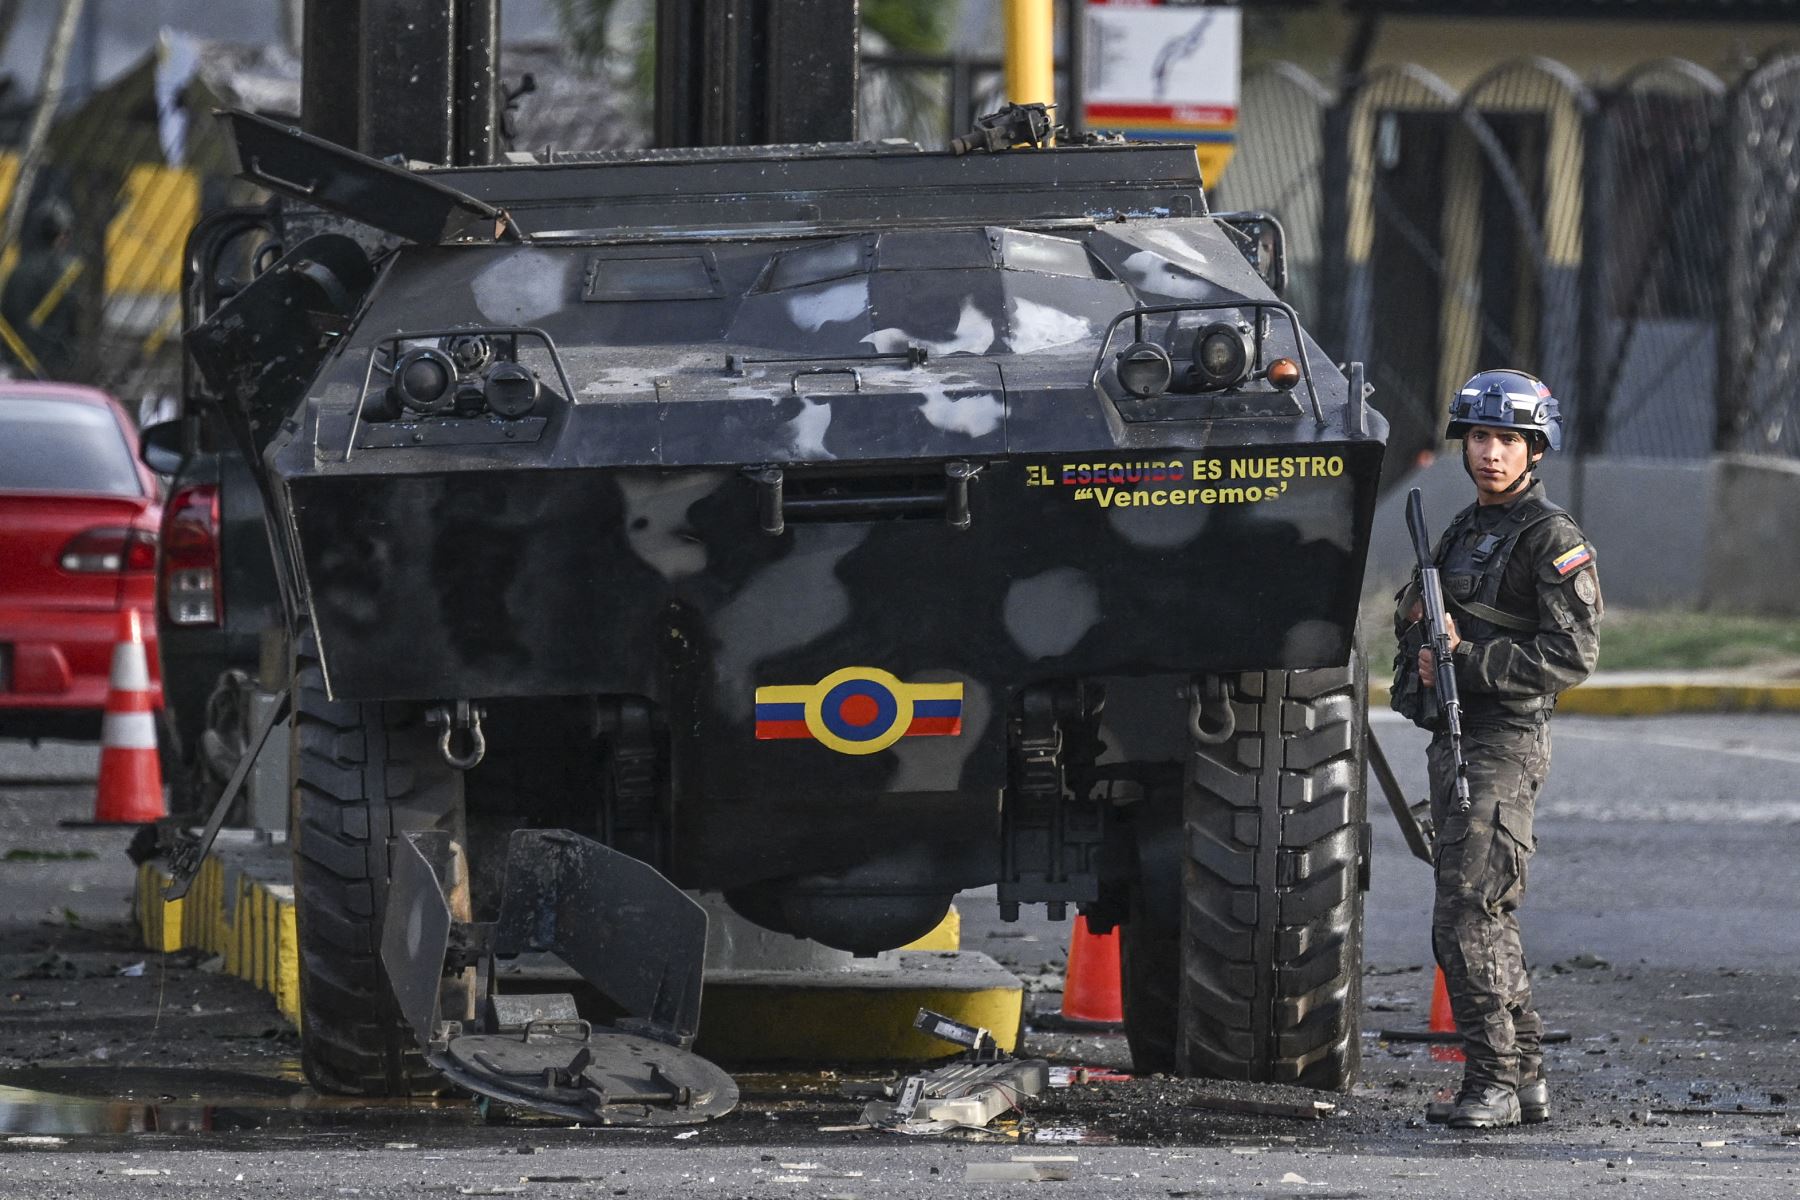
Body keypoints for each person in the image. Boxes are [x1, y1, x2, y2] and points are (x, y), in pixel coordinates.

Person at [1391, 369, 1602, 1130]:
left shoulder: (1550, 537)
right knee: (1487, 914)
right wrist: (1426, 657)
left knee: (1465, 916)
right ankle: (1528, 1076)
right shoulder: (1465, 529)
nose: (1490, 453)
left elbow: (1572, 654)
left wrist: (1468, 662)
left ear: (1535, 448)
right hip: (1457, 737)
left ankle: (1493, 1082)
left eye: (1507, 439)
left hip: (1503, 739)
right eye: (1480, 437)